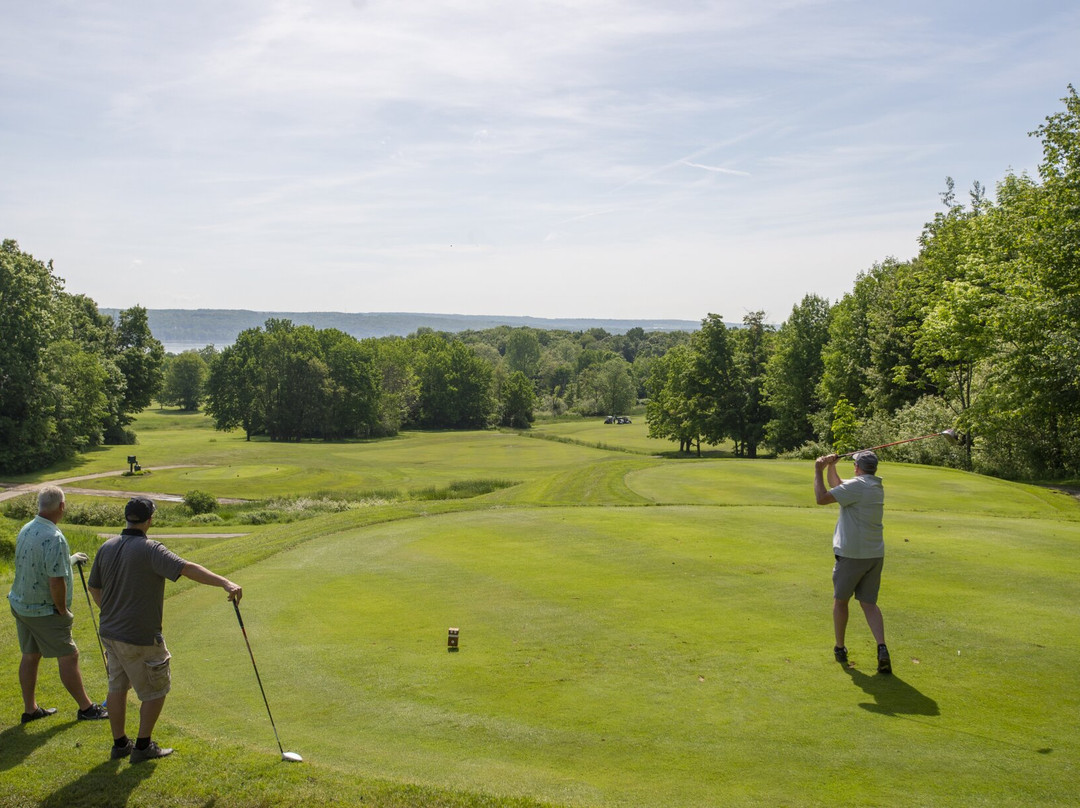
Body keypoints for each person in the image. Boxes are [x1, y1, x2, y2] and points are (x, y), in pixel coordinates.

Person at [87, 496, 242, 762]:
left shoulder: (107, 546)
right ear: (149, 520)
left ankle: (120, 744)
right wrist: (225, 583)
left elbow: (94, 587)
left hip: (110, 633)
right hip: (140, 637)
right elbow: (187, 568)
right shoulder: (151, 549)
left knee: (116, 687)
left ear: (127, 517)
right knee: (157, 690)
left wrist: (111, 612)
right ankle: (143, 747)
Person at [8, 485, 109, 723]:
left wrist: (70, 560)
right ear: (61, 507)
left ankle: (30, 709)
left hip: (21, 605)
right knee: (69, 655)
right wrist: (62, 611)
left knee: (31, 655)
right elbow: (56, 582)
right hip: (44, 610)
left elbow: (39, 564)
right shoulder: (55, 537)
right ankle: (86, 708)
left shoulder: (27, 528)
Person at [813, 450, 891, 674]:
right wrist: (831, 467)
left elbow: (822, 498)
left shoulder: (857, 487)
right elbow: (838, 485)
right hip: (874, 555)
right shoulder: (873, 485)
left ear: (857, 467)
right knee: (868, 603)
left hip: (852, 555)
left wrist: (818, 469)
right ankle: (882, 647)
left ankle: (840, 648)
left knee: (840, 602)